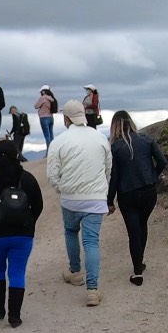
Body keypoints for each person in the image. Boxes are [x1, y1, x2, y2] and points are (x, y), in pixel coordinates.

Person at [46, 100, 112, 307]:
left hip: (71, 199)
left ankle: (75, 272)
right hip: (95, 198)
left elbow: (52, 174)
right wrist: (102, 190)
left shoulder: (59, 141)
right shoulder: (100, 138)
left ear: (66, 118)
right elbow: (108, 169)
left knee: (71, 232)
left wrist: (62, 189)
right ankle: (92, 289)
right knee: (91, 242)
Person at [0, 140, 44, 327]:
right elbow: (38, 206)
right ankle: (15, 316)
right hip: (22, 235)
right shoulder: (27, 178)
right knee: (17, 272)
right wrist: (28, 223)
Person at [107, 111, 167, 286]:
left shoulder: (116, 147)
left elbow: (114, 177)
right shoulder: (147, 140)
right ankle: (139, 263)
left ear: (115, 126)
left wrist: (110, 201)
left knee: (134, 232)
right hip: (149, 191)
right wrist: (152, 176)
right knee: (142, 225)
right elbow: (162, 161)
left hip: (127, 195)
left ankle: (137, 272)